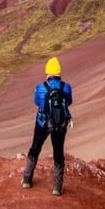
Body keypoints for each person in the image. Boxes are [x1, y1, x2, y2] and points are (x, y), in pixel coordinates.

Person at [21, 56, 73, 195]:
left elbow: (36, 102)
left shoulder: (40, 87)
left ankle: (27, 179)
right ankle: (56, 187)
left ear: (48, 72)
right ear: (59, 72)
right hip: (60, 124)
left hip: (42, 123)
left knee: (35, 148)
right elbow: (69, 102)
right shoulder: (66, 87)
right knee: (58, 153)